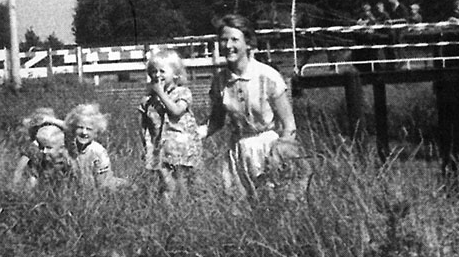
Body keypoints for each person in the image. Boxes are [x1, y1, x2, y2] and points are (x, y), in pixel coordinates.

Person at [206, 14, 298, 199]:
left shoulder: (267, 76)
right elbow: (215, 122)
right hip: (238, 151)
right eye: (224, 40)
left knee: (273, 203)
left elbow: (290, 126)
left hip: (268, 149)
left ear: (247, 43)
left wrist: (280, 152)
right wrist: (185, 134)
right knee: (239, 210)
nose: (228, 45)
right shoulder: (220, 81)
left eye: (234, 39)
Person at [139, 48, 205, 203]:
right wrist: (145, 144)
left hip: (182, 148)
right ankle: (167, 212)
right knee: (166, 185)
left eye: (162, 71)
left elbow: (176, 111)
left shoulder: (182, 92)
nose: (157, 75)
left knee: (188, 183)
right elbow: (143, 123)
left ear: (175, 74)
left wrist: (161, 94)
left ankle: (189, 208)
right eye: (153, 72)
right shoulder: (149, 99)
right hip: (160, 149)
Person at [65, 103, 129, 191]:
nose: (84, 132)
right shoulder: (69, 147)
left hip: (103, 188)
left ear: (96, 132)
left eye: (89, 129)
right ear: (73, 128)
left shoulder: (97, 151)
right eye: (80, 127)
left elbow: (102, 184)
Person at [12, 107, 71, 189]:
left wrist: (49, 120)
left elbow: (70, 128)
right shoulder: (33, 147)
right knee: (34, 178)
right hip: (40, 176)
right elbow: (20, 168)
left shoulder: (60, 142)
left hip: (56, 176)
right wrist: (15, 185)